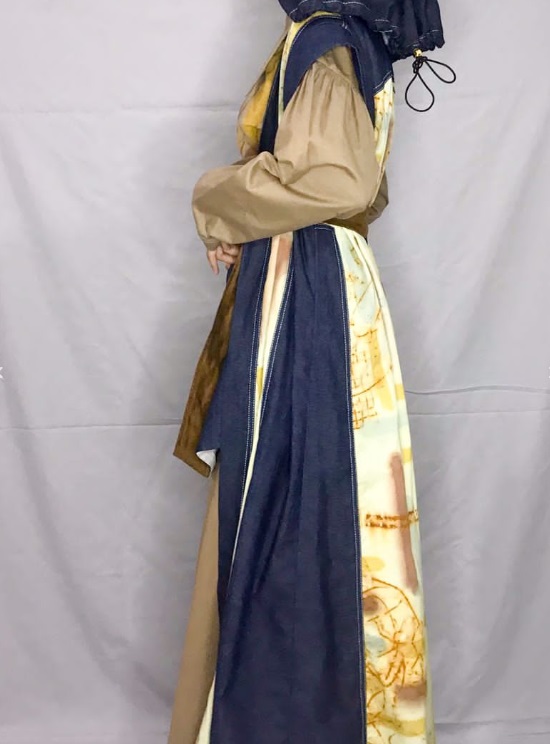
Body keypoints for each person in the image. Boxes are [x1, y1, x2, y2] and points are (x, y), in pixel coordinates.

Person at [168, 2, 447, 742]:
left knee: (294, 499)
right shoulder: (348, 38)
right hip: (320, 277)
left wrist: (217, 199)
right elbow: (343, 182)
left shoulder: (326, 38)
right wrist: (248, 216)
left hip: (307, 292)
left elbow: (335, 182)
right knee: (312, 494)